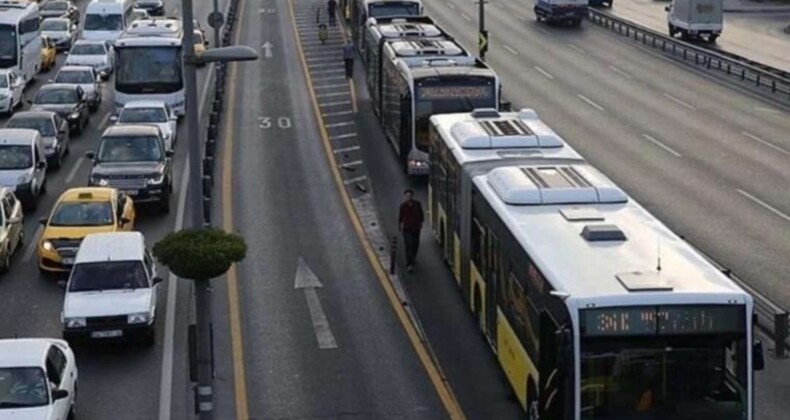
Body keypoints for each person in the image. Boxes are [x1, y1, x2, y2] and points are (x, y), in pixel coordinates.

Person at [398, 189, 424, 272]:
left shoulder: (417, 204)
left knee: (415, 245)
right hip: (407, 229)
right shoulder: (403, 206)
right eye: (407, 196)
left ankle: (413, 257)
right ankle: (409, 264)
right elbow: (401, 217)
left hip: (416, 228)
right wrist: (400, 225)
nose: (408, 197)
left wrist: (420, 223)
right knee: (409, 246)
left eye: (409, 196)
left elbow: (421, 214)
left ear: (412, 196)